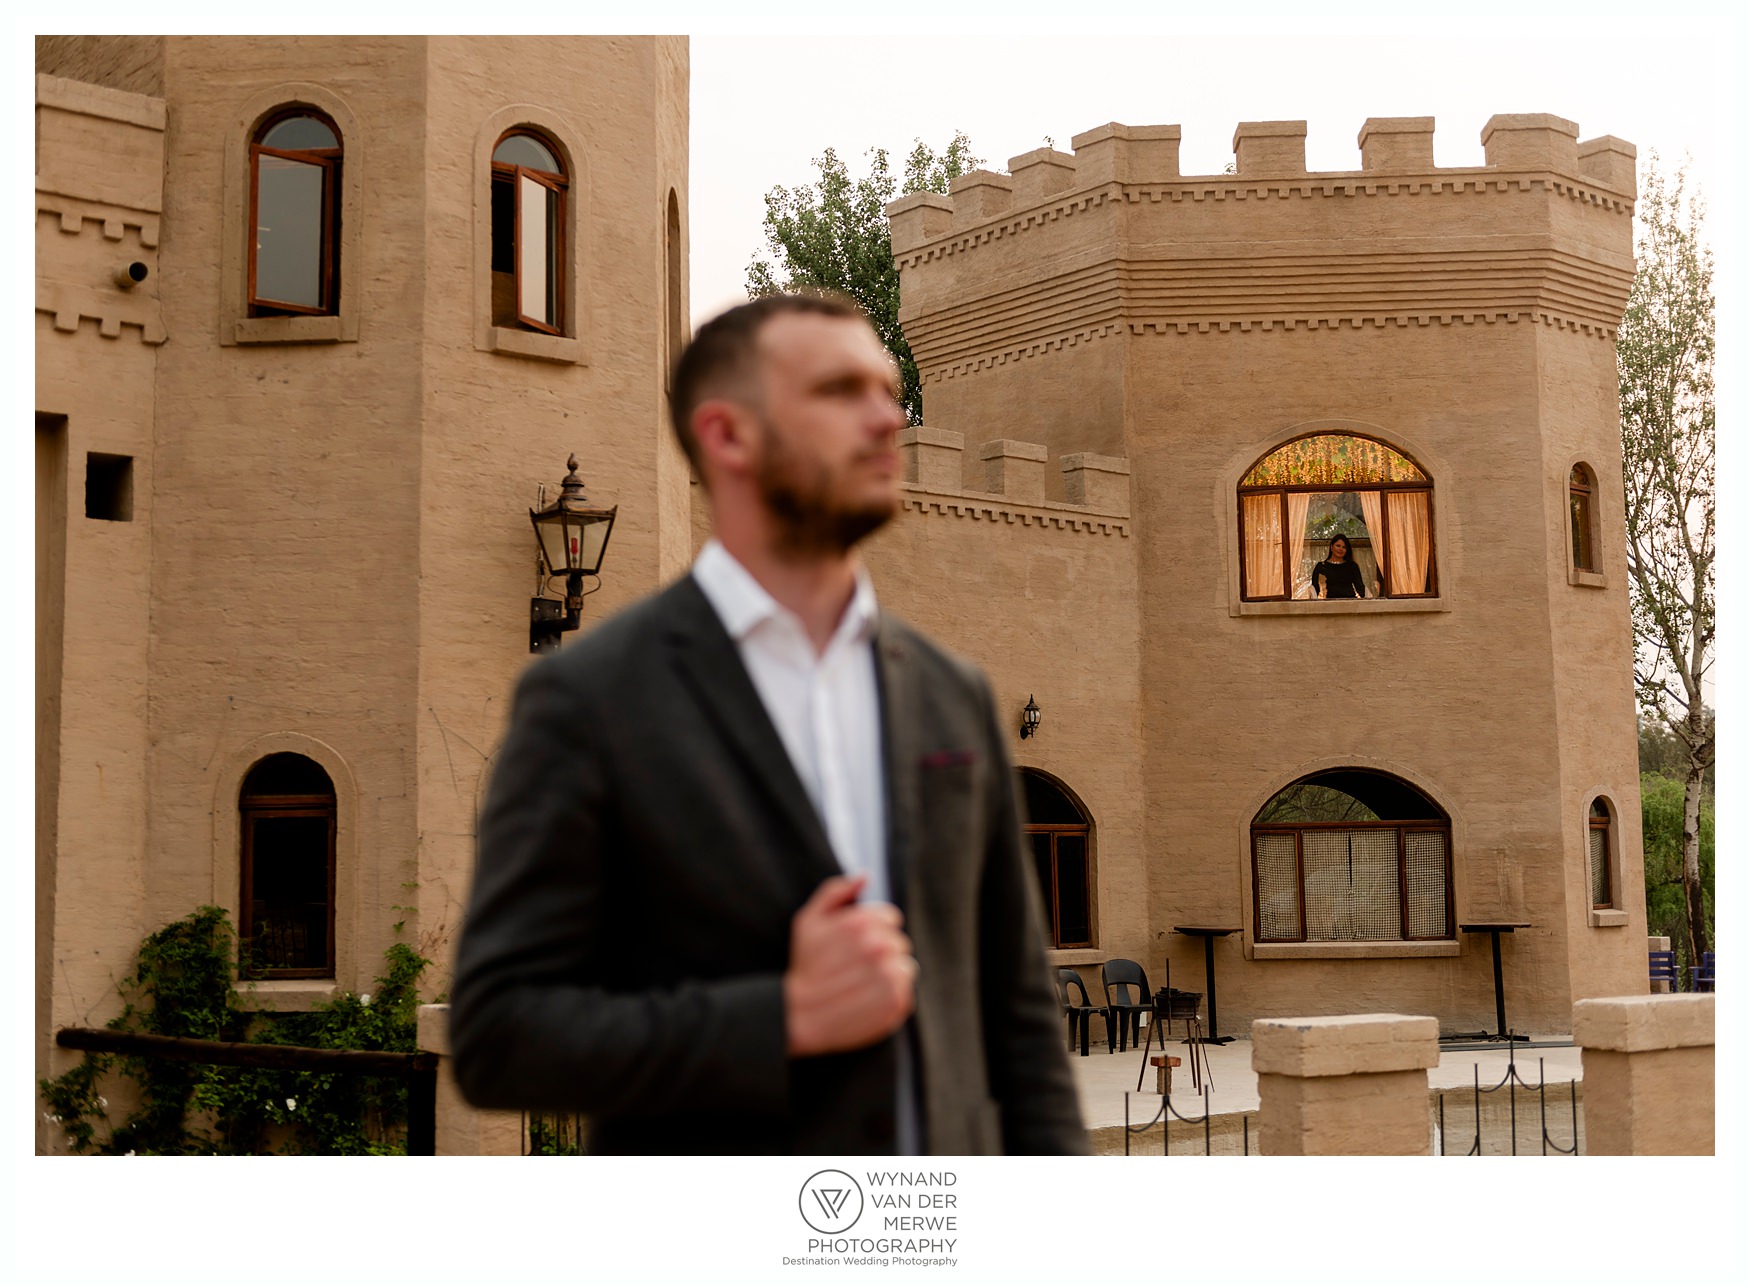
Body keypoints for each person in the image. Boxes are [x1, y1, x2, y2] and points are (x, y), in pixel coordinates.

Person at [449, 292, 1087, 1156]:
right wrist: (778, 1015)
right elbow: (501, 1037)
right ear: (727, 435)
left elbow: (1020, 1021)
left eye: (888, 389)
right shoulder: (592, 701)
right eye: (841, 391)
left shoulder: (951, 693)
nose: (887, 417)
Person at [1310, 533, 1366, 599]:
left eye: (1344, 547)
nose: (1341, 549)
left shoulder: (1352, 566)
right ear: (1331, 547)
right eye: (1338, 546)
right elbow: (1315, 590)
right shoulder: (1321, 567)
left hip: (1350, 604)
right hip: (1327, 605)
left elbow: (1360, 589)